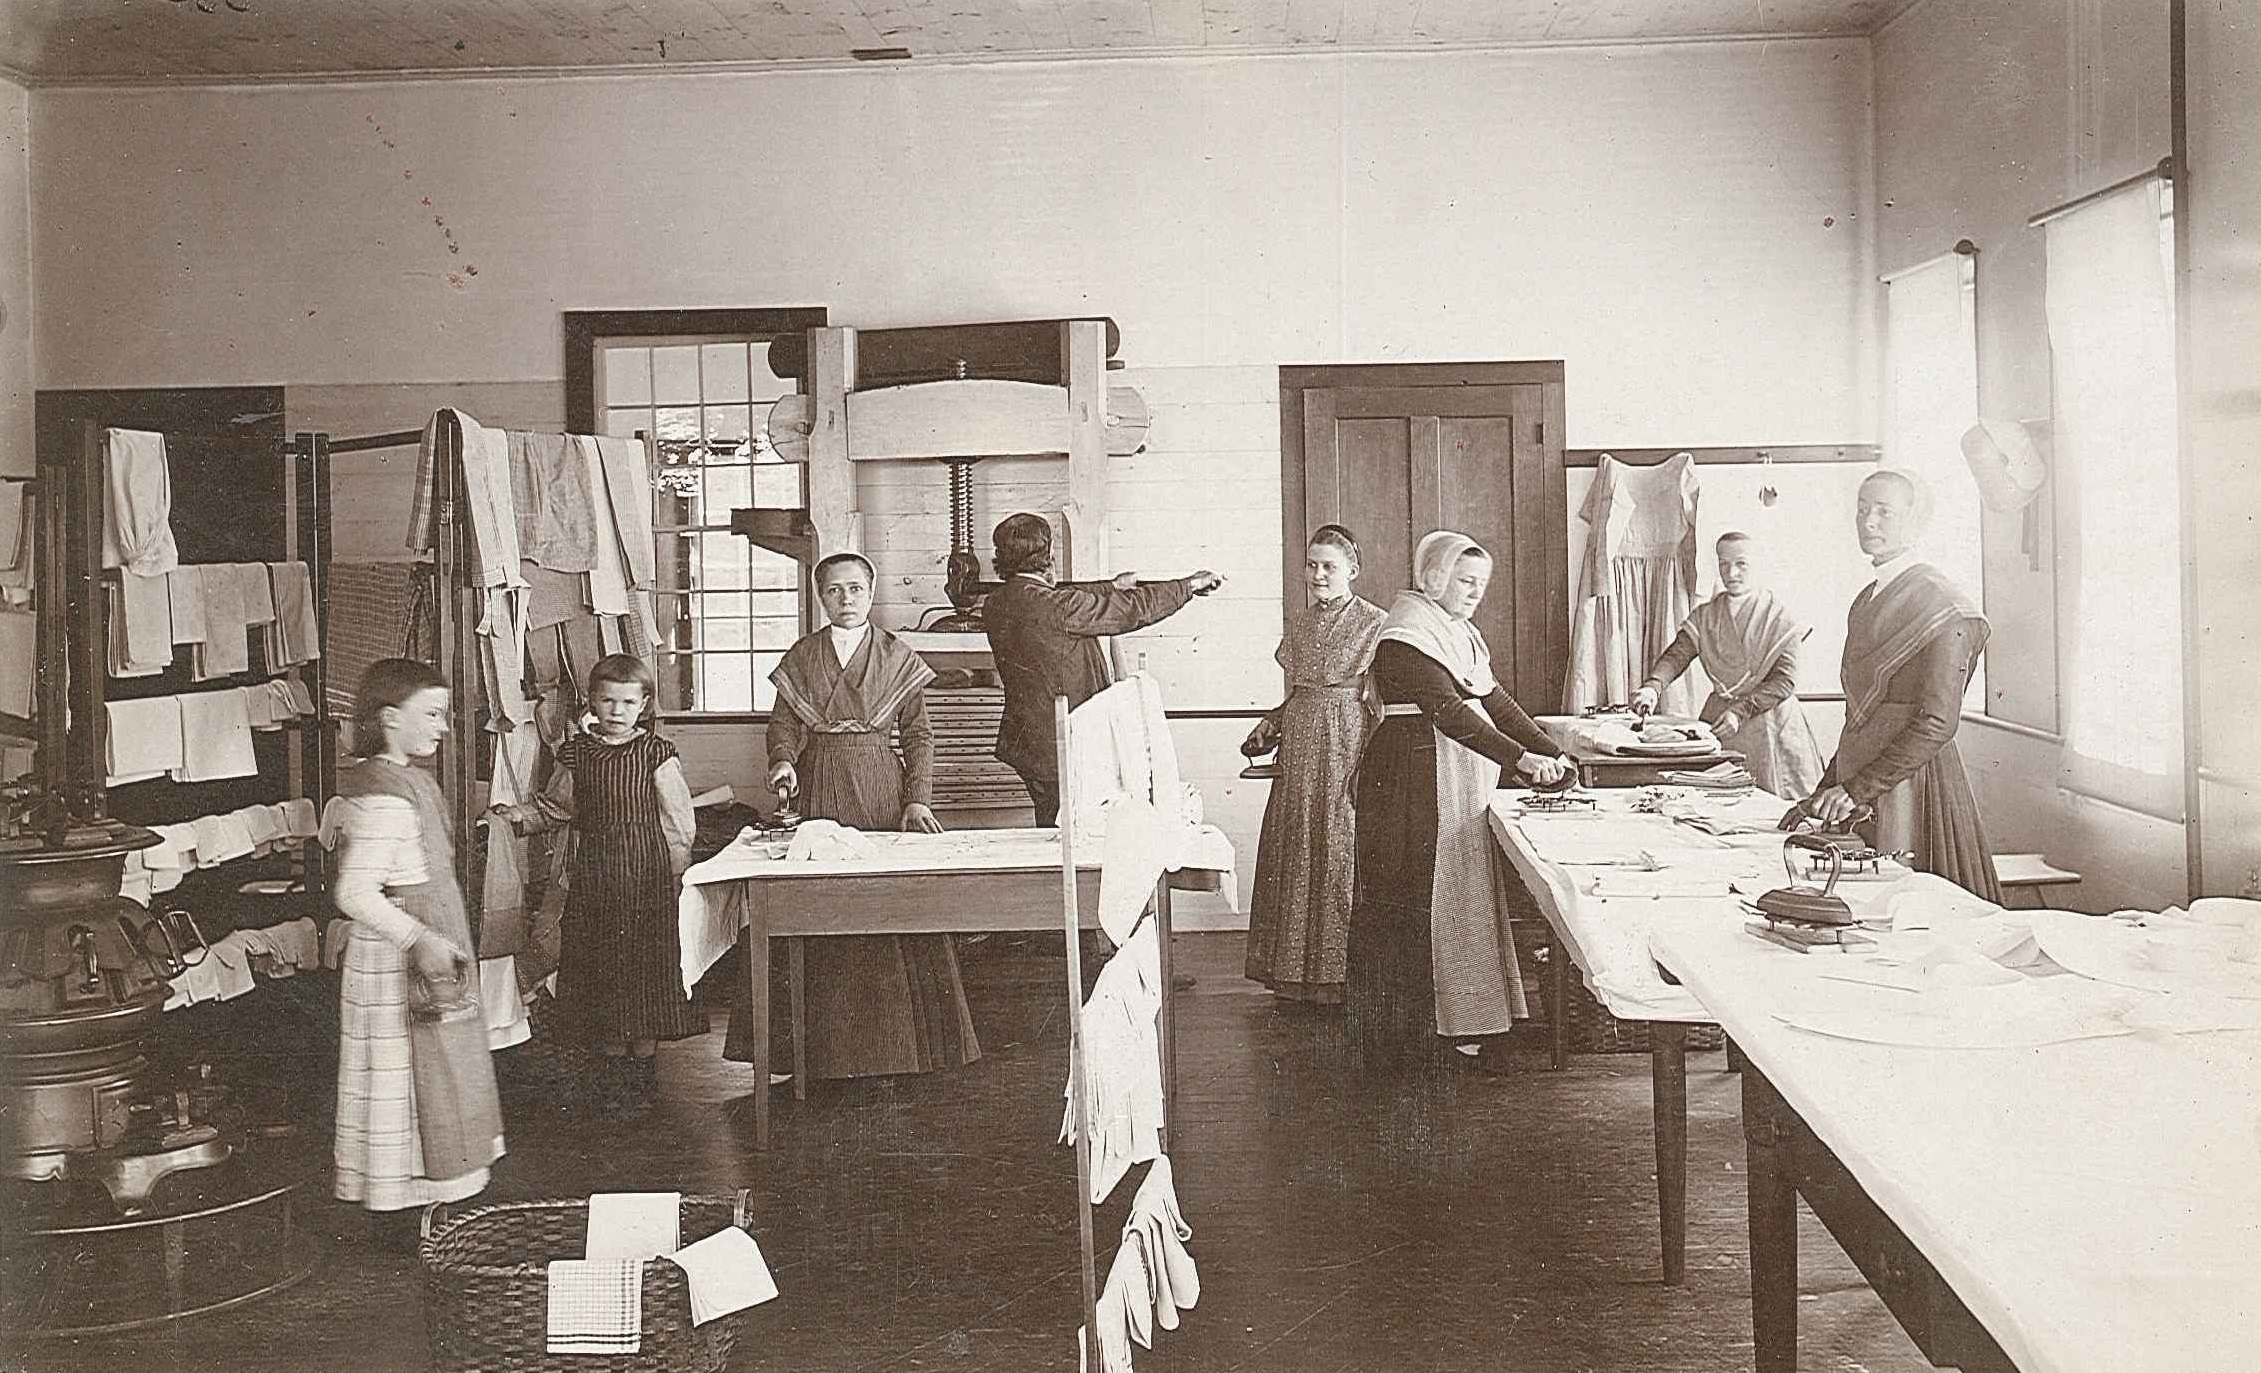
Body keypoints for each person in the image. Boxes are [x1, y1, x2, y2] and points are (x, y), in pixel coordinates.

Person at [726, 551, 980, 1079]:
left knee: (888, 904)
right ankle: (817, 1059)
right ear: (821, 597)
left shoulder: (896, 654)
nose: (845, 599)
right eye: (834, 590)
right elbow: (784, 728)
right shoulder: (802, 655)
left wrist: (917, 799)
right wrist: (782, 763)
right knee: (816, 907)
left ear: (871, 591)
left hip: (880, 794)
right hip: (818, 789)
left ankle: (902, 1052)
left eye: (855, 589)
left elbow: (918, 736)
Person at [1347, 531, 1573, 1072]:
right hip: (1406, 780)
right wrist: (1521, 761)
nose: (1474, 593)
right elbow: (1450, 712)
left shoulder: (1458, 633)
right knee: (1410, 900)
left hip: (1446, 776)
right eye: (1465, 581)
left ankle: (1458, 1021)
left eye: (1481, 584)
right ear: (1433, 577)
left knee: (1446, 895)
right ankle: (1408, 1034)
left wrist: (1553, 751)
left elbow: (1494, 700)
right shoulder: (1405, 635)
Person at [327, 658, 504, 1236]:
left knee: (437, 1076)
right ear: (388, 718)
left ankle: (428, 1202)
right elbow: (353, 892)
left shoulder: (404, 778)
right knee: (409, 1081)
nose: (443, 727)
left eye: (444, 714)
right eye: (431, 714)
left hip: (424, 944)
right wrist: (420, 938)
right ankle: (406, 1209)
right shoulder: (384, 795)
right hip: (395, 960)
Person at [494, 653, 701, 1116]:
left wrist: (675, 875)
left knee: (644, 973)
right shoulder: (577, 753)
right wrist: (518, 818)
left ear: (645, 705)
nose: (616, 710)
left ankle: (643, 1078)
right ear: (592, 701)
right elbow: (556, 807)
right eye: (607, 700)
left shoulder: (656, 754)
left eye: (628, 701)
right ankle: (612, 1081)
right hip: (595, 877)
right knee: (602, 970)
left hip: (645, 878)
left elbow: (677, 823)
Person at [1782, 470, 2002, 902]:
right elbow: (1860, 718)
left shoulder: (1946, 606)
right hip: (1858, 781)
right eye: (1863, 509)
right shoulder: (1866, 599)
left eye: (1884, 512)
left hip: (1913, 789)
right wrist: (1825, 790)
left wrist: (1855, 789)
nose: (1868, 522)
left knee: (1903, 909)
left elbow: (1937, 723)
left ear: (1917, 520)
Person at [981, 512, 1222, 824]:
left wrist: (1111, 586)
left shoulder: (996, 603)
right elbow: (1133, 610)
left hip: (1029, 746)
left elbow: (1060, 594)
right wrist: (1187, 586)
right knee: (1076, 835)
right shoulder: (1058, 608)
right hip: (1065, 748)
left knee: (1054, 826)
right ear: (1048, 558)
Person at [1241, 525, 1387, 1005]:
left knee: (1337, 845)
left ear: (1353, 571)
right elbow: (1302, 693)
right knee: (1295, 843)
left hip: (1347, 741)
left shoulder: (1375, 624)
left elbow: (1380, 700)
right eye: (1312, 564)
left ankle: (1336, 978)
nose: (1318, 574)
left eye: (1329, 566)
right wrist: (1271, 723)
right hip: (1300, 744)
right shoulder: (1301, 623)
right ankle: (1291, 976)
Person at [1631, 532, 1827, 799]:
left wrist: (1741, 711)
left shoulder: (1779, 617)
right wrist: (1653, 687)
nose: (1731, 572)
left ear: (1758, 564)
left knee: (1771, 811)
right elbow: (1677, 656)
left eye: (1741, 564)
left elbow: (1785, 681)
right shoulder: (1706, 615)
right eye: (1724, 564)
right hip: (1721, 722)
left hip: (1771, 727)